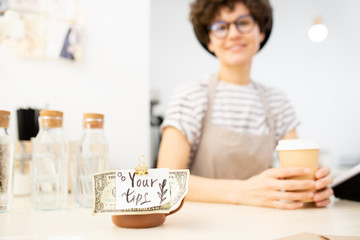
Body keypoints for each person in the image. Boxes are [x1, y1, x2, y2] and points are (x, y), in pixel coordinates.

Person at [157, 0, 333, 209]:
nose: (233, 34)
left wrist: (311, 189)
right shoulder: (190, 95)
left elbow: (294, 176)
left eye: (244, 22)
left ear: (261, 33)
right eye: (221, 27)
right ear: (210, 41)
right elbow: (165, 183)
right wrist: (242, 192)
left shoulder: (278, 103)